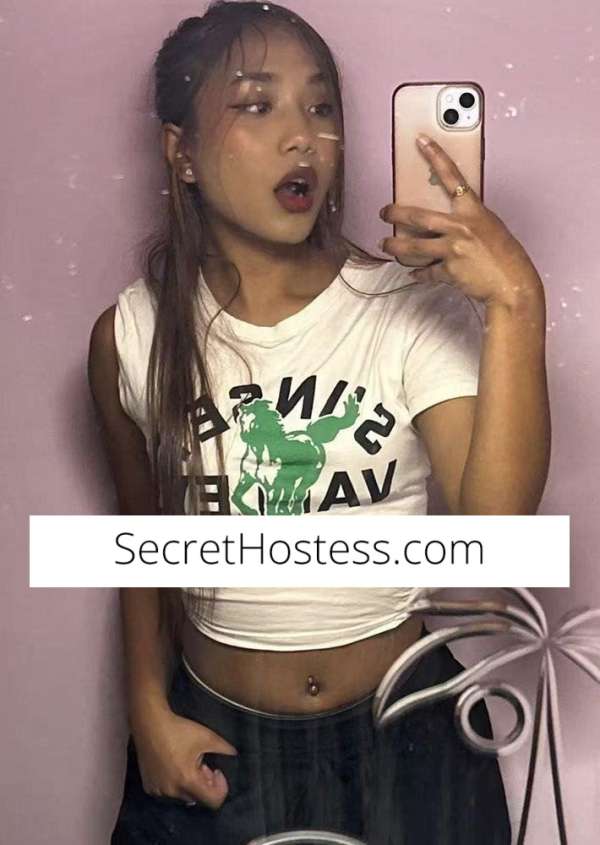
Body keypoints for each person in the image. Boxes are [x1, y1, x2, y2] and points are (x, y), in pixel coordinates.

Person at [87, 2, 550, 842]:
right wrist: (146, 709)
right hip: (220, 743)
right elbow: (142, 543)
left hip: (407, 738)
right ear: (181, 152)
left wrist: (516, 304)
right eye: (258, 104)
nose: (302, 136)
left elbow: (496, 547)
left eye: (321, 106)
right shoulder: (132, 334)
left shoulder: (406, 309)